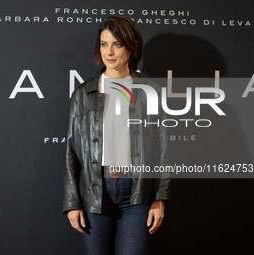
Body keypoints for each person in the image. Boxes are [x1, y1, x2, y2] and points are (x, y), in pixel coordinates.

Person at [63, 16, 171, 255]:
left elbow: (164, 148)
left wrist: (160, 197)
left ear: (131, 46)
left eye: (117, 44)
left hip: (137, 193)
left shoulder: (150, 91)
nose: (109, 52)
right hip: (94, 192)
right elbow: (71, 150)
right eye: (103, 44)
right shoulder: (83, 93)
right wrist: (72, 203)